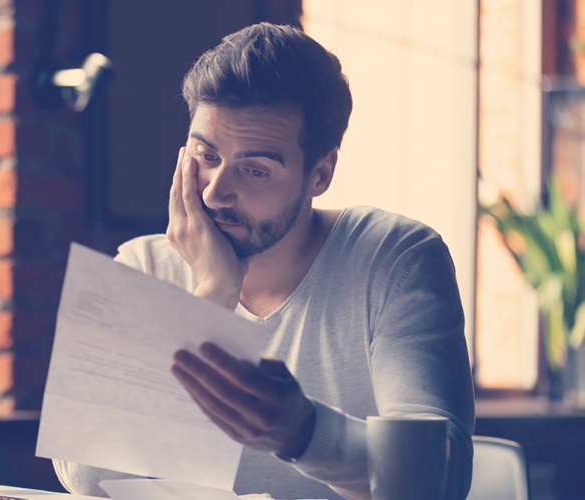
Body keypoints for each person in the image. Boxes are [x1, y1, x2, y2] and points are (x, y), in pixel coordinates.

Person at [53, 22, 475, 500]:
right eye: (205, 155)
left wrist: (304, 435)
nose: (215, 191)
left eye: (254, 170)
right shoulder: (141, 265)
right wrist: (211, 296)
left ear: (320, 174)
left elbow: (440, 479)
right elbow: (85, 478)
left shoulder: (396, 258)